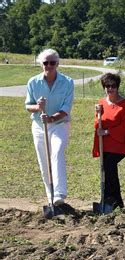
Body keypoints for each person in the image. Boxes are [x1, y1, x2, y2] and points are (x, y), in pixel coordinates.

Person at [25, 48, 74, 209]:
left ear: (57, 64)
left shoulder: (67, 82)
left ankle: (59, 194)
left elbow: (66, 108)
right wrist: (38, 108)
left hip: (60, 124)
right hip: (39, 126)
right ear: (41, 64)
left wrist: (51, 118)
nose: (49, 65)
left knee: (57, 152)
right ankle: (50, 196)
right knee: (43, 160)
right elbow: (28, 106)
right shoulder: (33, 82)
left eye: (53, 62)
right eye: (46, 62)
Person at [92, 73, 125, 210]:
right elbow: (97, 124)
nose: (110, 89)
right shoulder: (101, 103)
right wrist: (98, 115)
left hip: (121, 143)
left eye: (113, 86)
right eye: (107, 86)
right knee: (106, 168)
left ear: (117, 87)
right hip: (106, 144)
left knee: (109, 165)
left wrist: (107, 132)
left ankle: (112, 199)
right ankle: (111, 200)